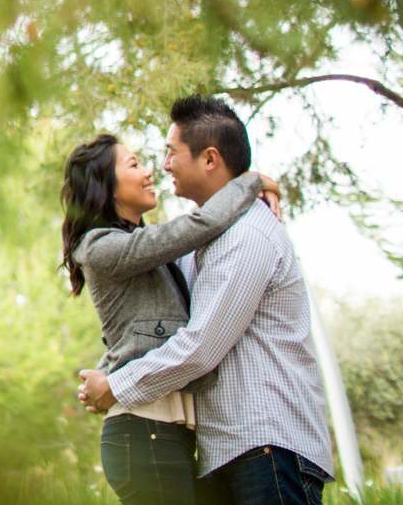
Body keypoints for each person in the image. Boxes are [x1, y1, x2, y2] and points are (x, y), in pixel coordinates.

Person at [78, 95, 336, 505]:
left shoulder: (247, 233)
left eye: (170, 153)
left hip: (266, 445)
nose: (161, 167)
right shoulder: (196, 246)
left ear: (210, 159)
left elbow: (200, 347)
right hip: (231, 450)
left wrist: (116, 384)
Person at [62, 129, 278, 505]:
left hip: (164, 433)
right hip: (143, 431)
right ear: (107, 186)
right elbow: (196, 227)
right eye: (134, 164)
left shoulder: (144, 254)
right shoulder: (101, 247)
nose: (150, 172)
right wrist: (249, 181)